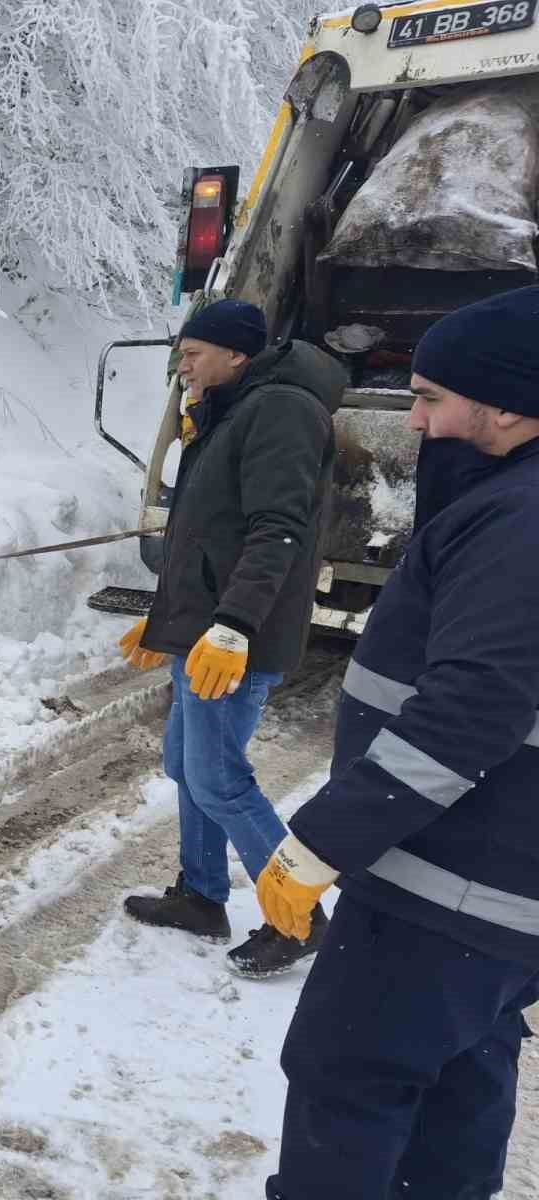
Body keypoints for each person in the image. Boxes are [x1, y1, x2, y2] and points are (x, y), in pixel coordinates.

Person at [259, 286, 539, 1200]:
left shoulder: (519, 520)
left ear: (505, 404)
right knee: (461, 1080)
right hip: (499, 893)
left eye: (429, 398)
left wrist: (325, 841)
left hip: (449, 887)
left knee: (350, 1079)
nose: (413, 419)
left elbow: (469, 711)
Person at [118, 298, 345, 977]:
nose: (181, 366)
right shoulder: (229, 412)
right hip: (207, 629)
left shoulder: (281, 411)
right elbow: (206, 533)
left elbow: (278, 529)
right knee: (188, 766)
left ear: (236, 355)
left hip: (235, 638)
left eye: (192, 354)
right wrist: (169, 617)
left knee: (218, 778)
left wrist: (233, 625)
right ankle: (201, 896)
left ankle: (297, 916)